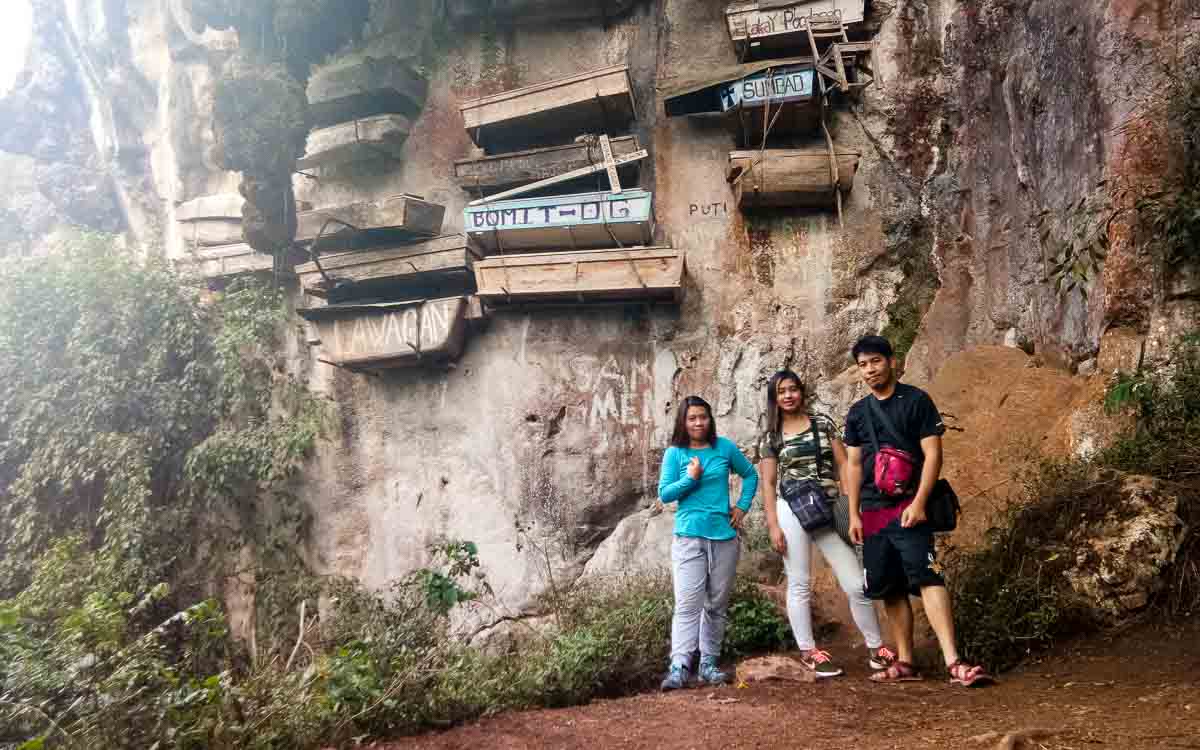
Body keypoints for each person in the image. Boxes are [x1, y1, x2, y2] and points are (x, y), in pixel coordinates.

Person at [843, 335, 993, 687]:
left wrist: (920, 503)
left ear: (891, 361)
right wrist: (852, 514)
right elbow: (852, 465)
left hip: (909, 505)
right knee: (888, 586)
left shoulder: (916, 401)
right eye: (863, 365)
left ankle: (953, 660)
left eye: (875, 362)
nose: (869, 370)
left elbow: (933, 455)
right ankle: (906, 661)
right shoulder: (857, 413)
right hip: (874, 510)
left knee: (928, 576)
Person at [758, 370, 896, 678]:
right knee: (799, 581)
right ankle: (809, 652)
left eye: (793, 389)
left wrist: (851, 504)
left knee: (855, 583)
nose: (789, 395)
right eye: (782, 391)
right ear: (775, 398)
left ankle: (876, 649)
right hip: (792, 509)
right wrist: (772, 525)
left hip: (829, 507)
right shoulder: (771, 437)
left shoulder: (822, 423)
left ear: (801, 392)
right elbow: (767, 482)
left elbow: (845, 463)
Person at [657, 395, 758, 691]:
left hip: (724, 537)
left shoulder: (723, 447)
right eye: (692, 418)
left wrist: (741, 507)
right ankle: (679, 666)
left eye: (703, 417)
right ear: (683, 422)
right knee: (688, 604)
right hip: (689, 537)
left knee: (716, 604)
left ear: (710, 419)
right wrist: (691, 478)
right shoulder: (675, 453)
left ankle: (708, 664)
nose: (698, 422)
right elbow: (665, 494)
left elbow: (750, 474)